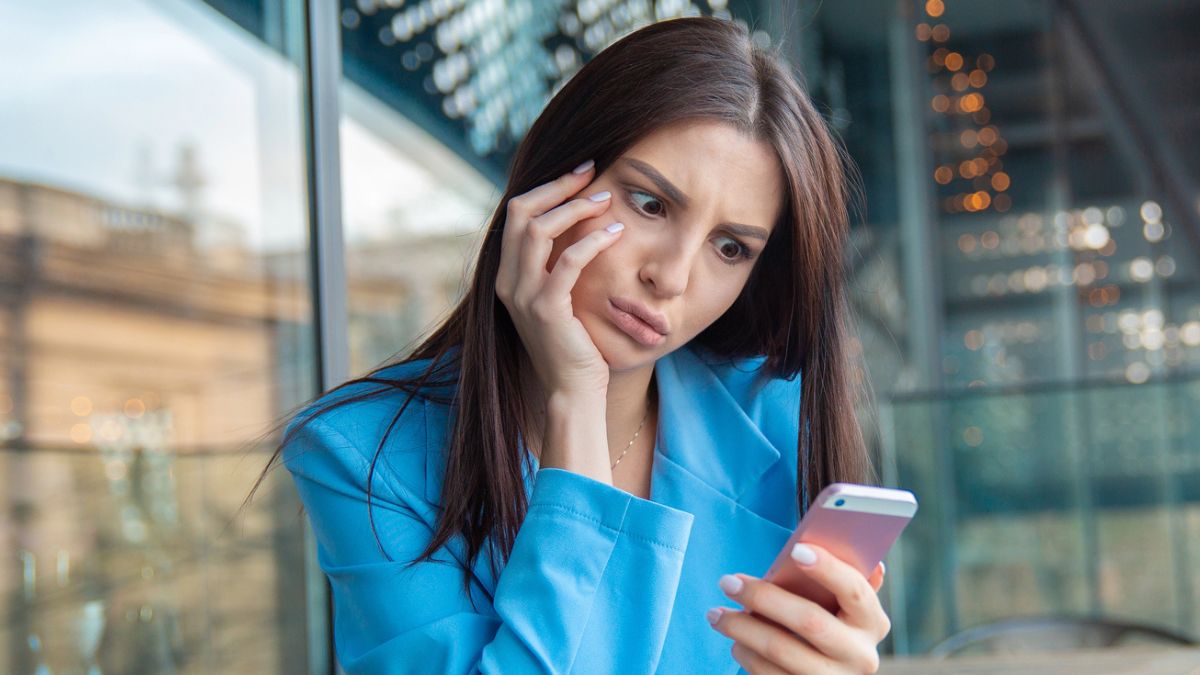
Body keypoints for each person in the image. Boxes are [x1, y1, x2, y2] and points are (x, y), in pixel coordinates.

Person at [267, 15, 890, 674]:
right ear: (551, 187)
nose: (671, 276)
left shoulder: (776, 421)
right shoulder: (362, 456)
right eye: (650, 203)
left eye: (730, 247)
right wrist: (576, 400)